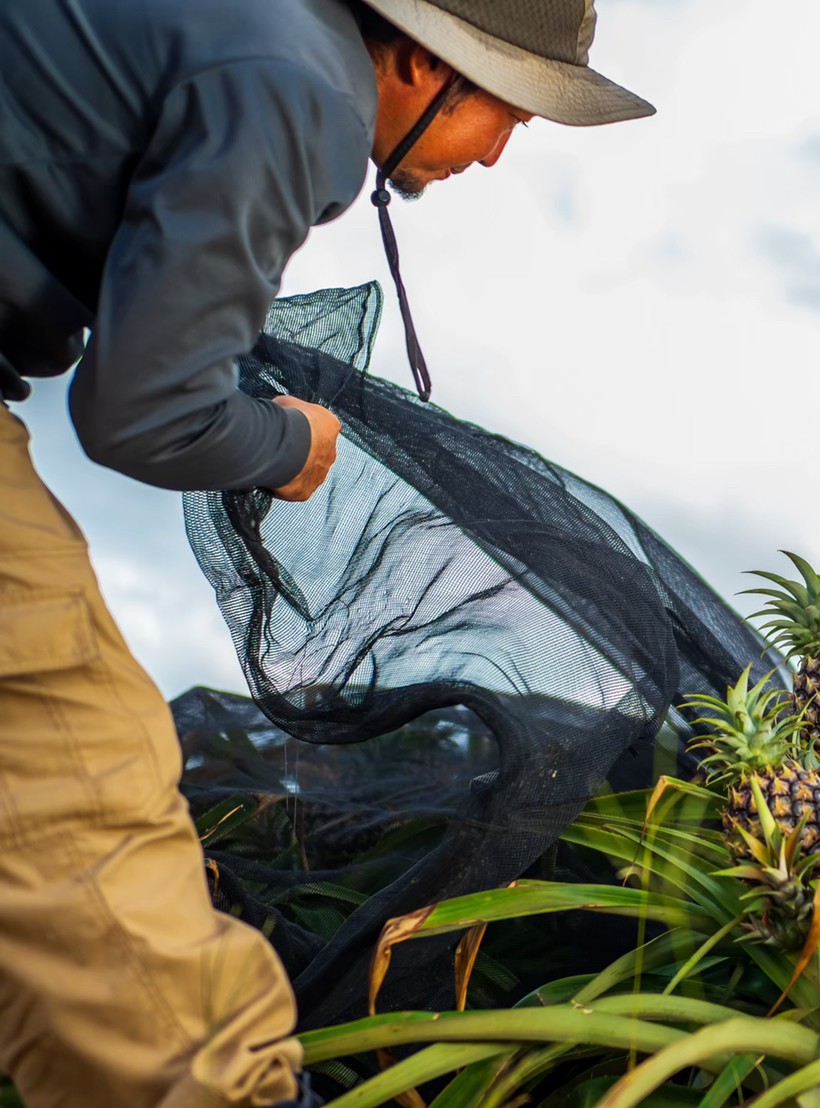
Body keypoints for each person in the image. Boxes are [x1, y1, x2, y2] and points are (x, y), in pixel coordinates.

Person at [0, 1, 653, 1104]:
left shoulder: (236, 29)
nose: (499, 151)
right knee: (77, 775)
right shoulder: (301, 82)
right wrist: (285, 443)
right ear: (423, 59)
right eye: (509, 110)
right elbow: (143, 413)